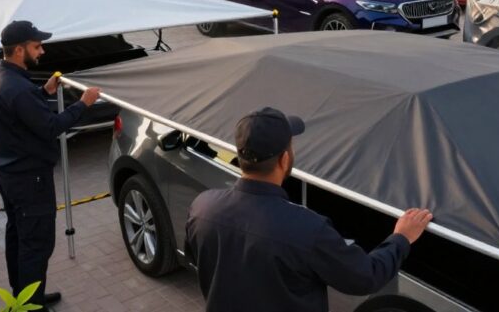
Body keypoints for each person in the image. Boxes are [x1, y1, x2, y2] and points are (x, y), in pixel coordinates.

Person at [185, 107, 434, 312]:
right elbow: (365, 278)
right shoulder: (307, 229)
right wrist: (402, 237)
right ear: (284, 159)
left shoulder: (202, 207)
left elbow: (198, 257)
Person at [0, 20, 100, 311]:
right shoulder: (17, 88)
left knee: (18, 236)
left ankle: (23, 297)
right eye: (37, 46)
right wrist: (83, 103)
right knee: (36, 244)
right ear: (20, 50)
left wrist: (44, 91)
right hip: (29, 180)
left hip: (8, 175)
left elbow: (20, 115)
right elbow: (50, 126)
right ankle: (30, 306)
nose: (42, 51)